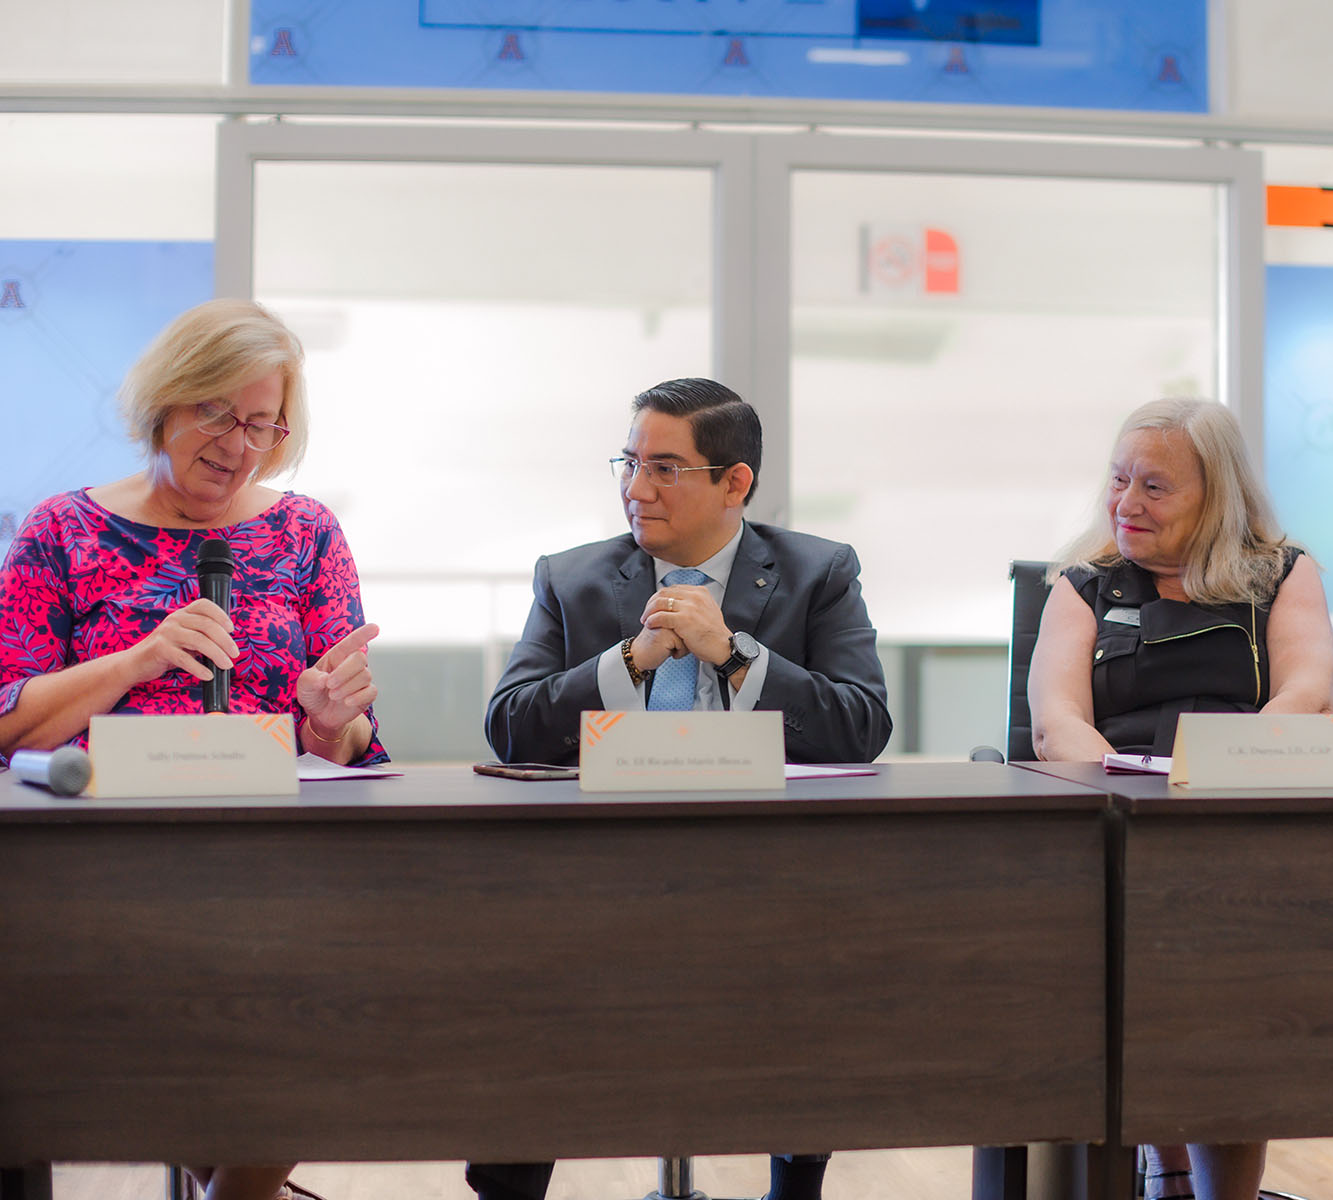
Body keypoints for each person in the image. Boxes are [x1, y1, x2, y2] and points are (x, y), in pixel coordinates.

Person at [0, 298, 385, 1200]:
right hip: (107, 860)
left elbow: (356, 745)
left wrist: (331, 719)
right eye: (219, 413)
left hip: (274, 856)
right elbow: (9, 716)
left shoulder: (307, 533)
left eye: (263, 423)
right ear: (168, 403)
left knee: (332, 998)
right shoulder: (64, 528)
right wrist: (134, 662)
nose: (240, 444)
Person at [473, 376, 891, 1200]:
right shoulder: (572, 578)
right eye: (629, 463)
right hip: (598, 867)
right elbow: (511, 725)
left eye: (665, 468)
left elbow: (860, 724)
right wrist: (629, 661)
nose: (635, 489)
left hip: (761, 866)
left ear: (735, 483)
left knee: (817, 945)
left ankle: (793, 1181)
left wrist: (734, 653)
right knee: (525, 960)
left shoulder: (819, 572)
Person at [1027, 396, 1333, 1200]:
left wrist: (1228, 776)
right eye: (1120, 480)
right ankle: (1165, 1174)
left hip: (1238, 819)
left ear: (1218, 495)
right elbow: (1058, 720)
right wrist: (1121, 795)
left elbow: (1309, 693)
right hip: (1113, 825)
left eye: (1155, 487)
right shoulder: (1083, 585)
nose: (1127, 503)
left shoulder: (1283, 572)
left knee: (1233, 998)